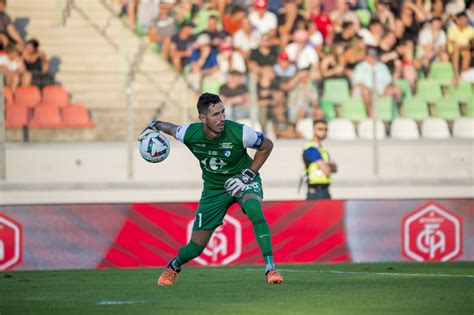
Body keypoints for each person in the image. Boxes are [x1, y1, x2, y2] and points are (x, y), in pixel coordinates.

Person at [138, 92, 284, 286]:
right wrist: (155, 125)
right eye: (216, 115)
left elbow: (267, 146)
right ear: (202, 118)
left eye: (223, 112)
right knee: (195, 248)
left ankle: (270, 268)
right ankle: (174, 266)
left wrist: (247, 175)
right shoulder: (189, 133)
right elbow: (170, 128)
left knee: (254, 209)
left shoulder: (240, 132)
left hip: (244, 178)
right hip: (214, 190)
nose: (222, 118)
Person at [302, 119, 337, 200]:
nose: (323, 132)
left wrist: (328, 165)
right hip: (316, 192)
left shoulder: (321, 148)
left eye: (325, 129)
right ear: (313, 130)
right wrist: (328, 165)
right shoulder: (310, 148)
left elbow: (335, 168)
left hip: (324, 190)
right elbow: (327, 170)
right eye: (320, 129)